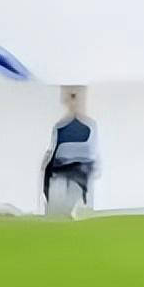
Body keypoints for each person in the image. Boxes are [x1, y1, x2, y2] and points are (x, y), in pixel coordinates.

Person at [42, 85, 99, 216]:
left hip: (78, 168)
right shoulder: (60, 127)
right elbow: (53, 150)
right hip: (64, 168)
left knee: (73, 198)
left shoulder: (89, 126)